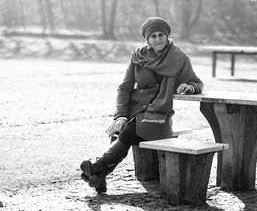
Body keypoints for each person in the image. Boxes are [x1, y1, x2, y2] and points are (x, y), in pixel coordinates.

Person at [80, 17, 204, 193]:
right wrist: (121, 115)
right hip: (134, 110)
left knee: (128, 132)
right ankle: (99, 176)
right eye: (152, 36)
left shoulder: (179, 58)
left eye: (161, 34)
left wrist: (189, 87)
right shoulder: (138, 56)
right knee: (119, 128)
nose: (157, 39)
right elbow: (124, 88)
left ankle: (97, 166)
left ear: (167, 36)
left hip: (159, 114)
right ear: (147, 39)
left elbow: (197, 83)